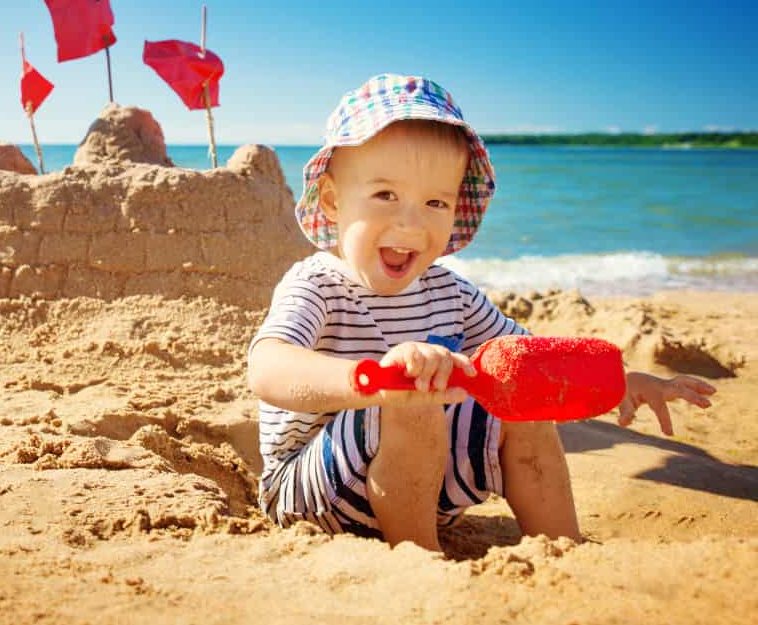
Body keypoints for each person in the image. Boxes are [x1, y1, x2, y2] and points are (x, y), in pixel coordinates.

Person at [247, 73, 715, 552]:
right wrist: (370, 379)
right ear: (331, 200)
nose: (410, 221)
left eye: (434, 202)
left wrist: (625, 381)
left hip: (424, 486)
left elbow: (533, 360)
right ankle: (417, 559)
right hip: (311, 495)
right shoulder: (317, 284)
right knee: (412, 398)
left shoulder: (450, 292)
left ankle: (561, 547)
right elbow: (267, 367)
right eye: (385, 194)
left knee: (523, 398)